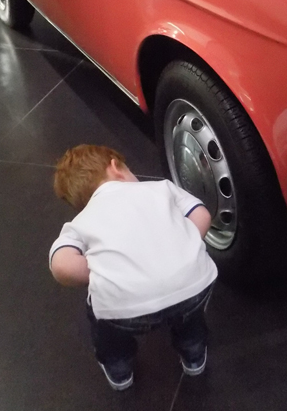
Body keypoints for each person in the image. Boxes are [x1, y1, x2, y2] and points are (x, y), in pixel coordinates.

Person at [49, 144, 218, 391]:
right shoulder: (162, 188)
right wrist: (183, 240)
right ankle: (194, 357)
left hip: (123, 310)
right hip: (194, 286)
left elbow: (61, 265)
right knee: (190, 321)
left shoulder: (82, 221)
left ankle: (119, 371)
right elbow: (201, 215)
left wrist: (100, 272)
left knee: (105, 325)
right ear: (116, 168)